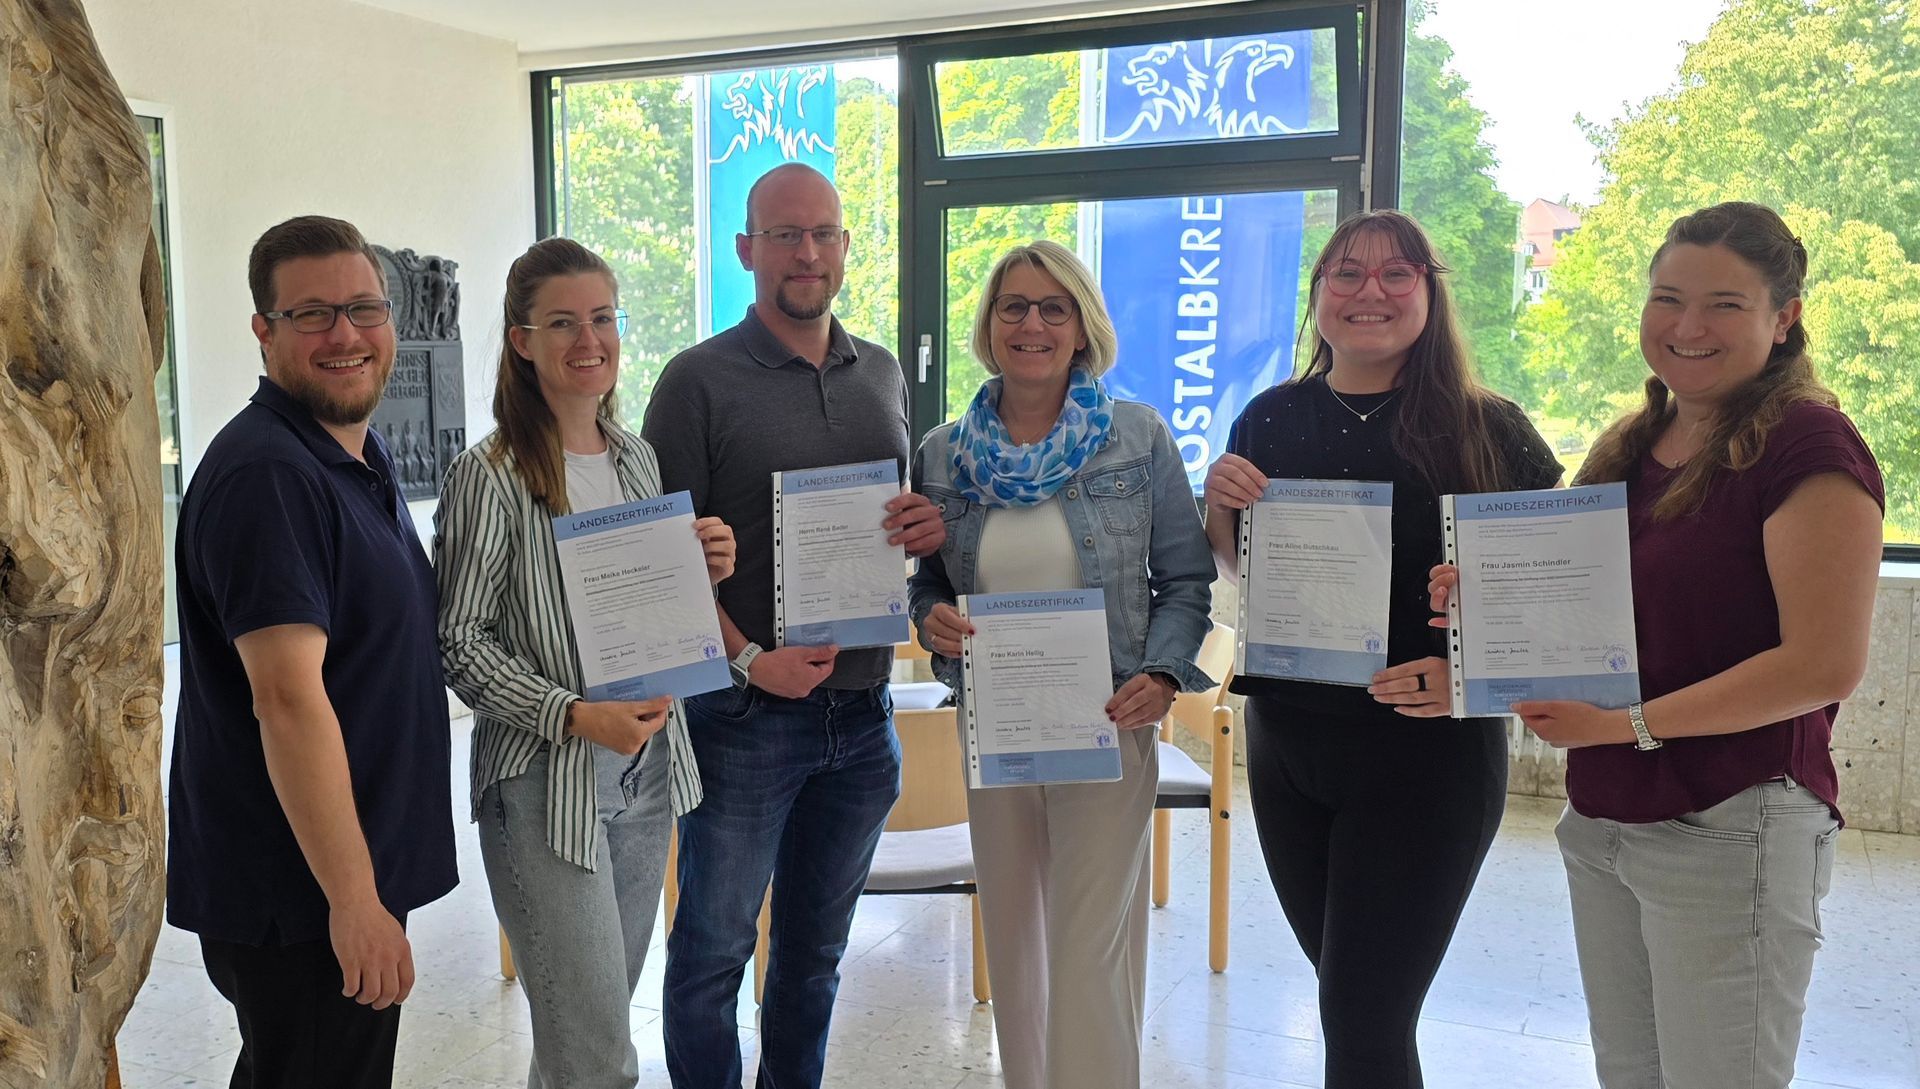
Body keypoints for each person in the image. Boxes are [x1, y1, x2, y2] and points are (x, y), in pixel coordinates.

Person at [1488, 202, 1881, 1088]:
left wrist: (1622, 725)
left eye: (1724, 305)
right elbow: (1603, 610)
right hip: (1606, 818)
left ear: (1784, 319)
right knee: (1631, 1075)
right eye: (1668, 298)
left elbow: (1823, 664)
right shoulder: (1637, 444)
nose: (1688, 326)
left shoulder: (1808, 443)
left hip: (1730, 823)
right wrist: (1491, 594)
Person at [1201, 209, 1563, 1088]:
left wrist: (1467, 672)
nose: (1371, 291)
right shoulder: (1268, 418)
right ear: (1318, 292)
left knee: (1363, 1020)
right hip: (1288, 749)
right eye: (1348, 272)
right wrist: (1220, 507)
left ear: (1431, 293)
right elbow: (1247, 567)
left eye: (1397, 273)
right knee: (1353, 1002)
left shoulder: (1490, 427)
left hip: (1426, 759)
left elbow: (1552, 598)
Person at [641, 162, 947, 1089]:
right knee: (712, 954)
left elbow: (895, 523)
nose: (806, 253)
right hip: (744, 722)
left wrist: (920, 527)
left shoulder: (882, 372)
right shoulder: (695, 381)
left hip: (863, 718)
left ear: (846, 245)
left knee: (815, 956)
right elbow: (661, 564)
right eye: (784, 235)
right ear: (747, 249)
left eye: (822, 234)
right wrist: (748, 662)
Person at [907, 240, 1214, 1089]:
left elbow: (1186, 580)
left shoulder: (1137, 437)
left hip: (1109, 723)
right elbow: (928, 581)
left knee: (1088, 949)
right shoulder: (942, 452)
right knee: (1015, 940)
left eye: (1054, 307)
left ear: (1082, 327)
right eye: (1014, 306)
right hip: (995, 728)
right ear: (990, 324)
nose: (1032, 323)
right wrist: (929, 617)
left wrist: (1163, 676)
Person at [434, 237, 736, 1088]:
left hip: (646, 773)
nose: (588, 340)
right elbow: (458, 641)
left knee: (579, 1040)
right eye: (563, 322)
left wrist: (701, 572)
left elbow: (650, 613)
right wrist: (573, 713)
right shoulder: (488, 474)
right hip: (546, 784)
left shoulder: (637, 457)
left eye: (602, 318)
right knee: (598, 1055)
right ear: (522, 339)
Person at [167, 215, 457, 1089]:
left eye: (364, 308)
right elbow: (287, 700)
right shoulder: (270, 476)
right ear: (264, 330)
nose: (345, 334)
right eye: (312, 314)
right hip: (301, 892)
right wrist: (354, 900)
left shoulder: (348, 454)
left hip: (334, 871)